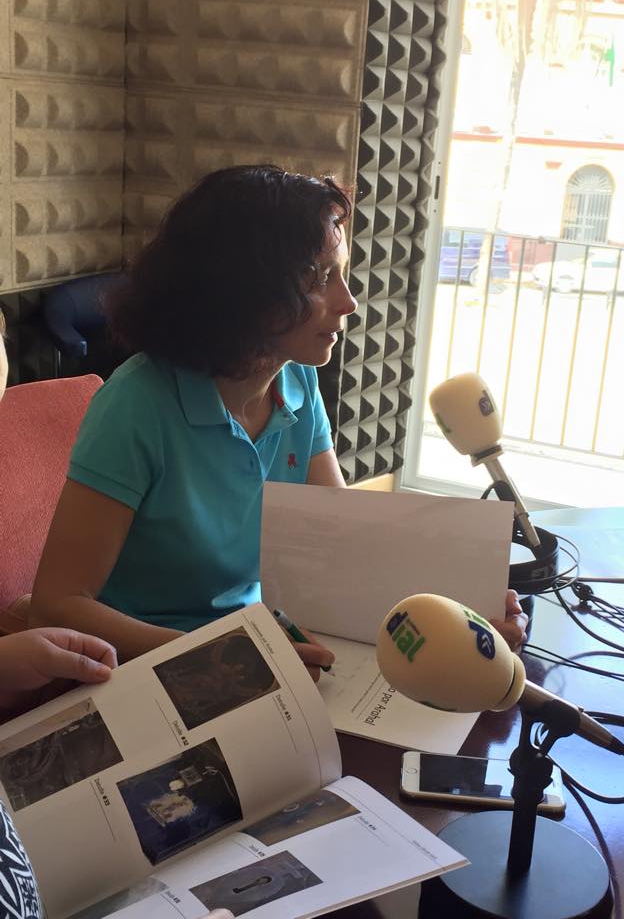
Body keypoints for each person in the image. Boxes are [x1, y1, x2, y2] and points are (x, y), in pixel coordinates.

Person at [25, 166, 526, 670]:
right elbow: (57, 604)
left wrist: (462, 607)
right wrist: (232, 657)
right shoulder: (137, 404)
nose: (349, 302)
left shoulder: (296, 382)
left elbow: (342, 545)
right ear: (243, 291)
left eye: (342, 274)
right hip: (149, 666)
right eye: (319, 279)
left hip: (258, 642)